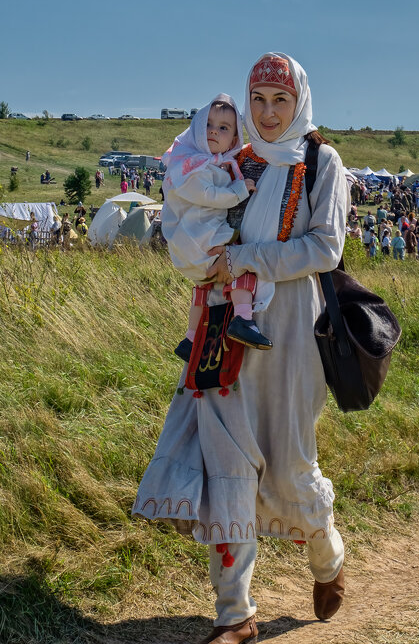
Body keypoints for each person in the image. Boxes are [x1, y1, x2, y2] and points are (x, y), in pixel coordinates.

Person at [132, 53, 348, 643]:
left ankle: (327, 556)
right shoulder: (234, 162)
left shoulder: (321, 161)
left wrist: (244, 260)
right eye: (258, 100)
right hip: (224, 326)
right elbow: (197, 221)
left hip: (293, 333)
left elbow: (325, 247)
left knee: (290, 464)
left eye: (280, 100)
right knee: (227, 467)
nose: (269, 113)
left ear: (299, 100)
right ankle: (236, 614)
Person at [161, 95, 271, 360]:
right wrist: (239, 190)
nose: (213, 130)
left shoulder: (194, 162)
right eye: (208, 124)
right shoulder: (192, 167)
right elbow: (207, 196)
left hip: (189, 245)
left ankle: (191, 337)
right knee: (238, 259)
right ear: (197, 128)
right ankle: (243, 318)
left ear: (234, 139)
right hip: (200, 238)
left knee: (203, 285)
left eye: (223, 128)